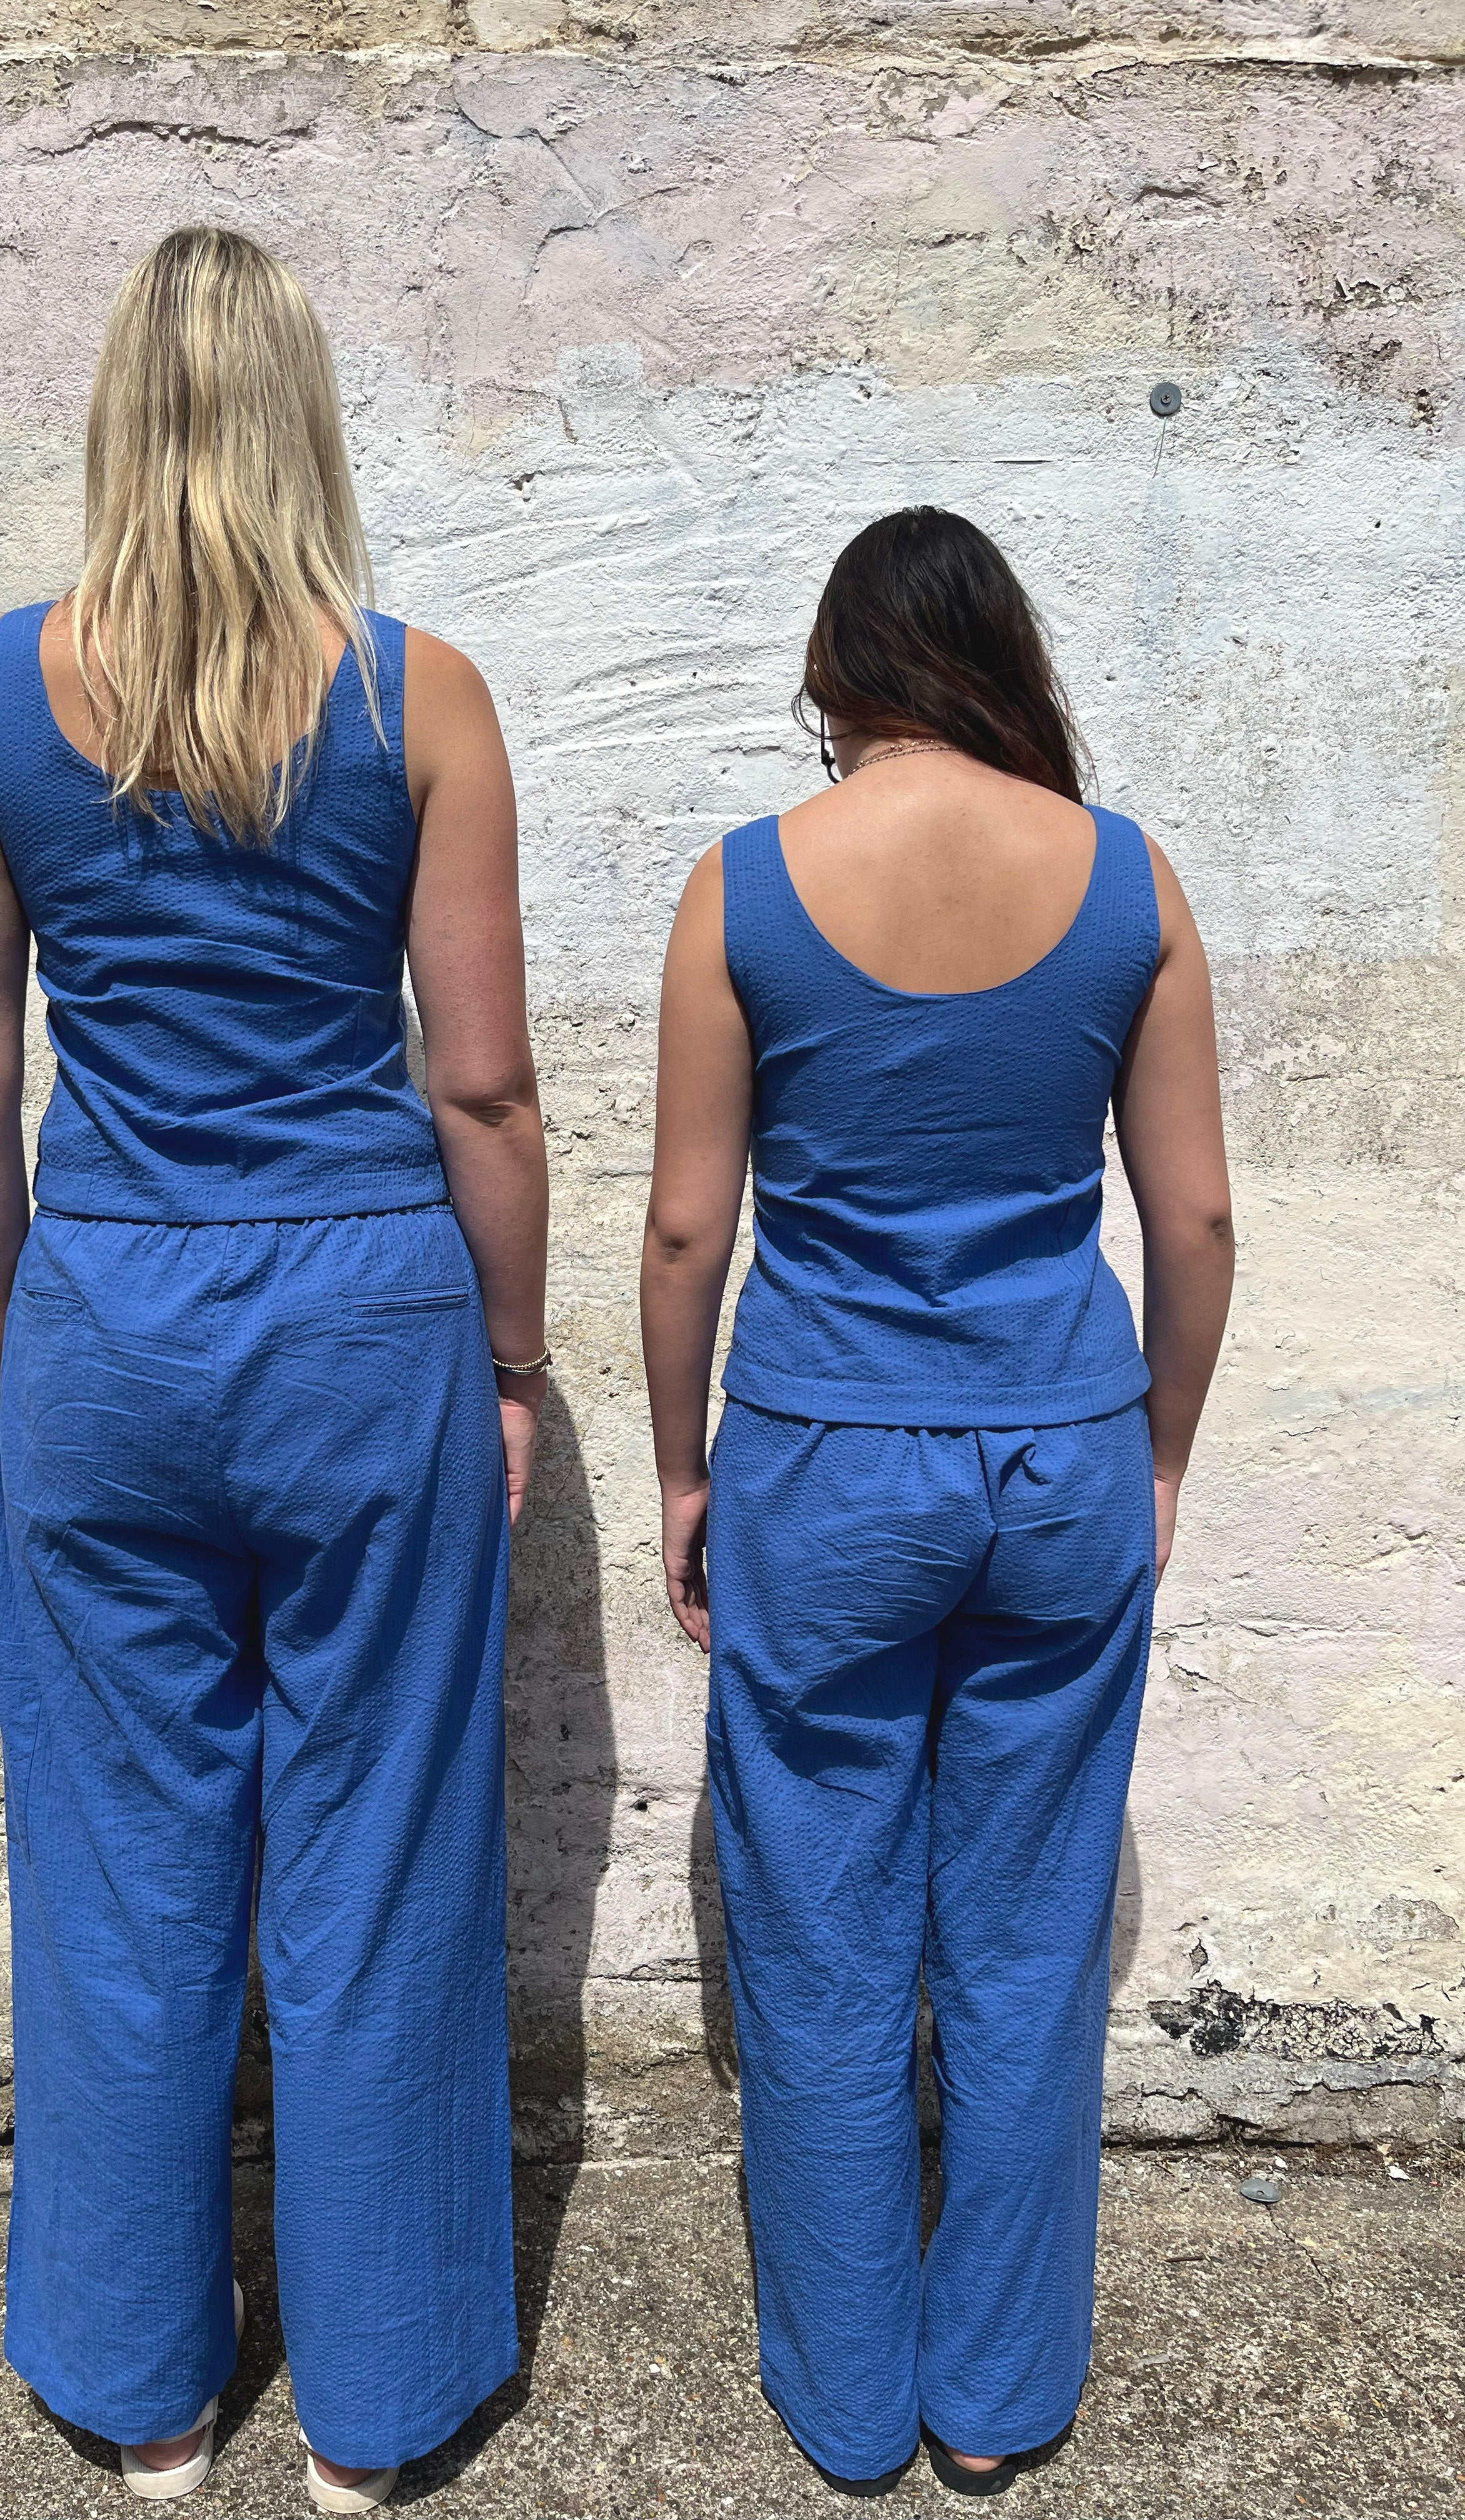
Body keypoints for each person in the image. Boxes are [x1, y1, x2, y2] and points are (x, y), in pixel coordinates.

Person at [0, 227, 549, 2512]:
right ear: (306, 423)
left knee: (122, 1865)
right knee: (381, 1855)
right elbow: (483, 1090)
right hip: (367, 1323)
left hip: (109, 1313)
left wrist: (21, 1345)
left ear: (115, 417)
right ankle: (376, 2414)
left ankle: (146, 2390)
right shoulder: (421, 700)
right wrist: (512, 1359)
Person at [640, 508, 1233, 2498]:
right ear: (1001, 663)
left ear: (839, 679)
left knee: (820, 1942)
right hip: (1062, 1450)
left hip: (824, 1461)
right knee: (1029, 1939)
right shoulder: (1128, 880)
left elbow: (685, 1229)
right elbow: (1195, 1219)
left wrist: (680, 1466)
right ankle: (994, 2406)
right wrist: (1161, 1448)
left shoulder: (745, 889)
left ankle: (845, 2406)